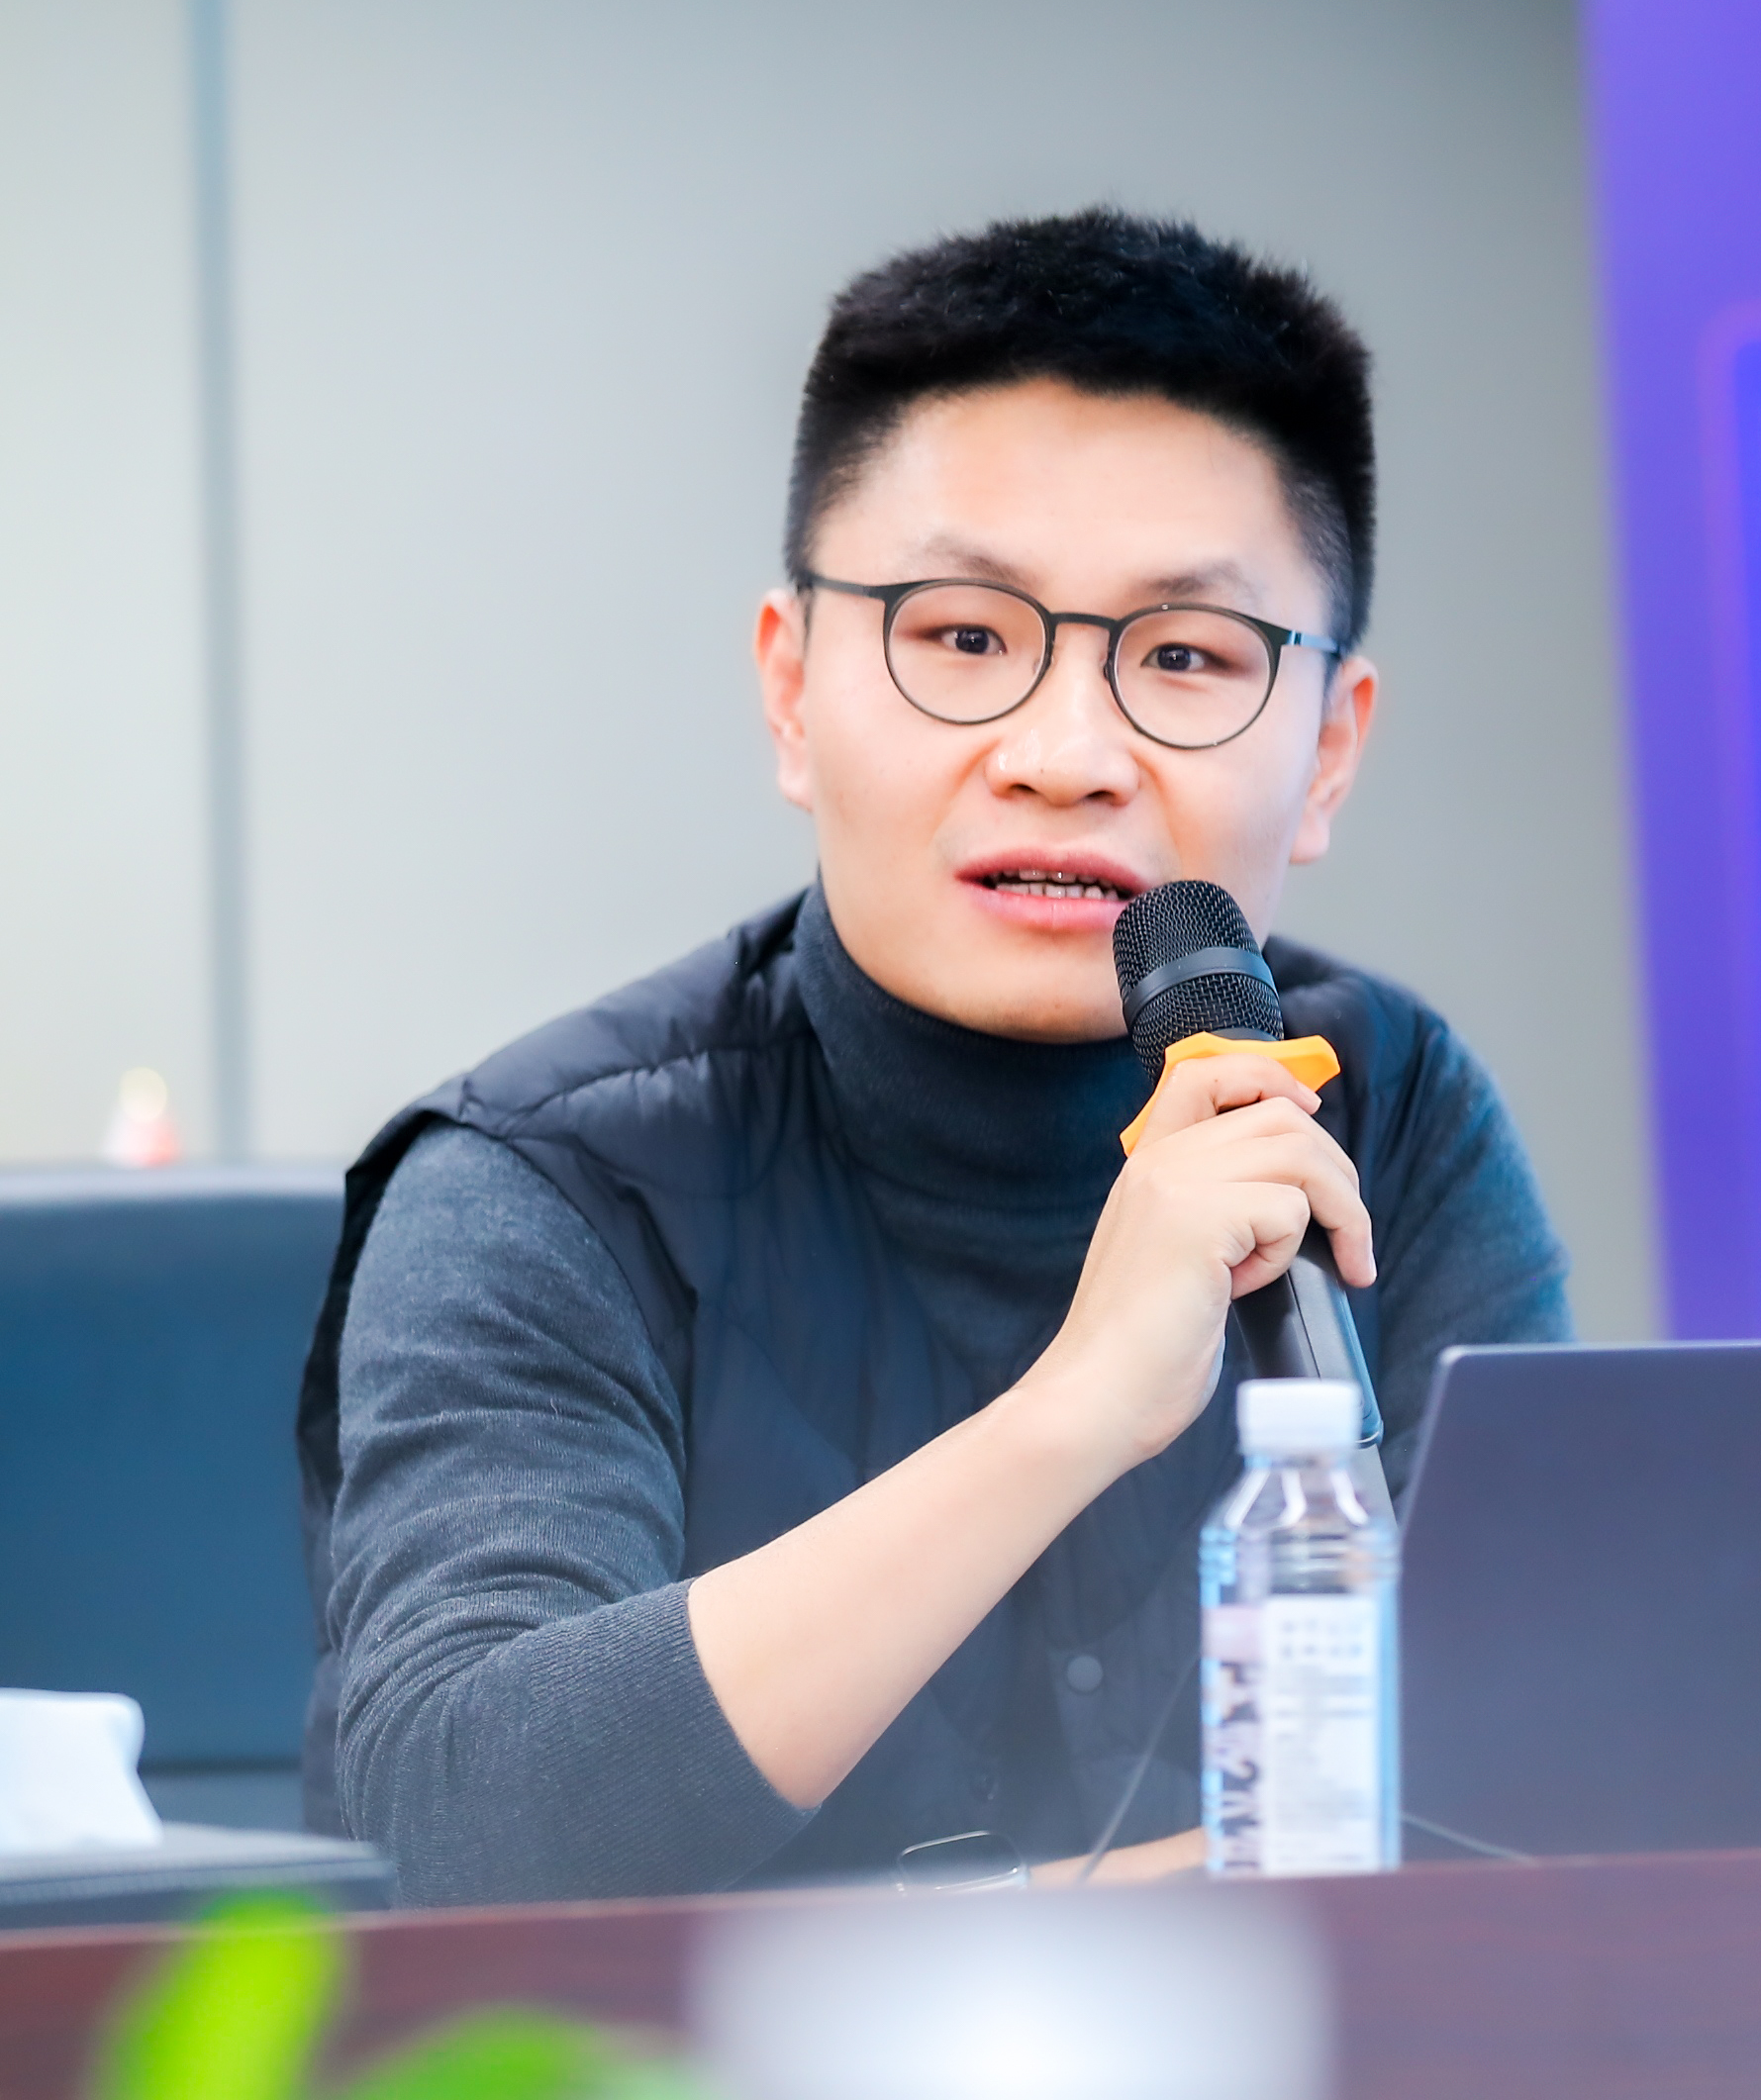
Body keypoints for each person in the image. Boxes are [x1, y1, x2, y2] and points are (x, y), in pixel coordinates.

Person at [296, 209, 1572, 1903]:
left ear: (1330, 751)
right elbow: (459, 1836)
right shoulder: (550, 1187)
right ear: (791, 690)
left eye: (1186, 657)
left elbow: (1551, 1783)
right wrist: (1073, 1413)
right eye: (966, 637)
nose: (1067, 753)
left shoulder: (1391, 1115)